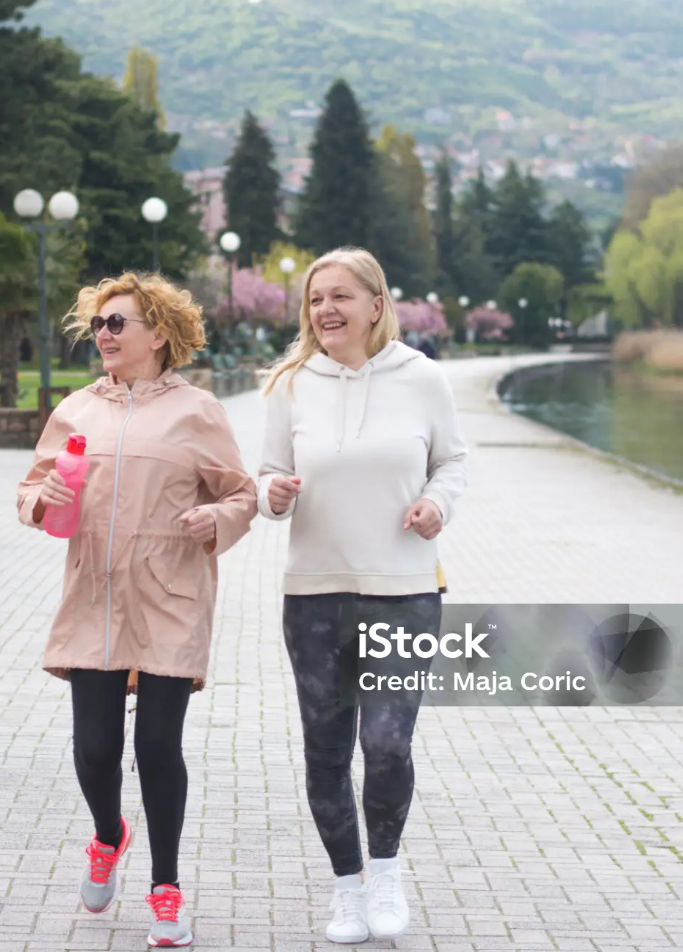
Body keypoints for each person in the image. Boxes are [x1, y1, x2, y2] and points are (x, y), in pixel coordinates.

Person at [17, 272, 257, 948]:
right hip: (92, 593)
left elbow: (240, 494)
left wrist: (217, 515)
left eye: (118, 322)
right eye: (99, 324)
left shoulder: (197, 410)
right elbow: (34, 485)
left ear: (159, 334)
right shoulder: (76, 410)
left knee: (157, 746)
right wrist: (41, 503)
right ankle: (107, 835)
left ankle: (167, 887)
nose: (104, 334)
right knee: (95, 750)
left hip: (169, 594)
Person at [257, 247, 467, 944]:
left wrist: (438, 502)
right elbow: (268, 475)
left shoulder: (422, 377)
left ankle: (385, 874)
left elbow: (453, 461)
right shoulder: (290, 384)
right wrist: (273, 495)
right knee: (326, 750)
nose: (326, 311)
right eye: (316, 299)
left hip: (404, 588)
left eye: (341, 296)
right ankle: (345, 888)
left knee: (387, 745)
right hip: (315, 593)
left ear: (378, 305)